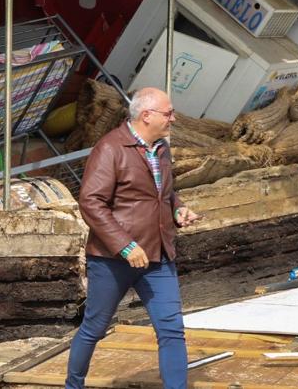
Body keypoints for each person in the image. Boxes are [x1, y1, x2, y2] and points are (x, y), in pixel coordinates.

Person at [65, 88, 199, 389]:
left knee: (172, 329)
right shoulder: (110, 148)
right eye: (169, 113)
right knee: (95, 328)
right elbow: (91, 202)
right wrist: (125, 245)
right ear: (146, 115)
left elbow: (162, 193)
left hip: (159, 255)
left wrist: (178, 209)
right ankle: (73, 385)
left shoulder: (161, 148)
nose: (173, 118)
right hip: (113, 259)